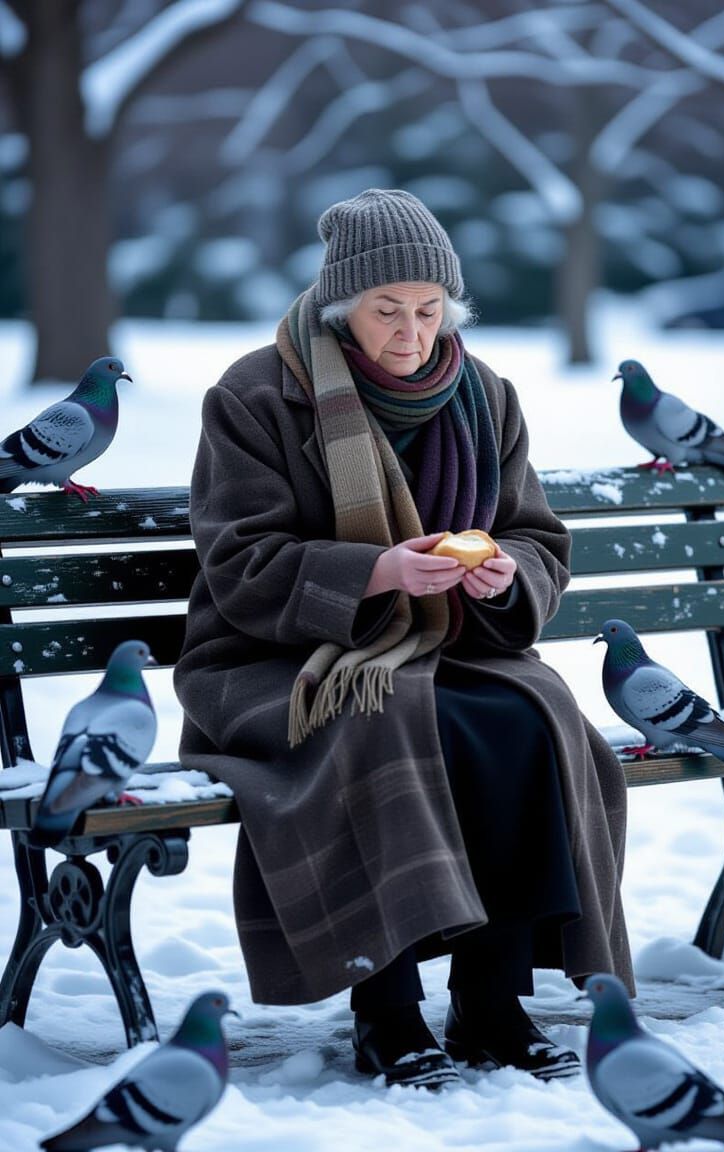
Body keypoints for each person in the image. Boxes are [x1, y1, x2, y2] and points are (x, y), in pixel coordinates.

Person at [175, 188, 633, 1089]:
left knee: (526, 717)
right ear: (344, 308)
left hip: (451, 643)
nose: (412, 332)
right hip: (282, 657)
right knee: (385, 713)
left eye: (430, 312)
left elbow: (537, 536)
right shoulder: (259, 394)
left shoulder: (484, 395)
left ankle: (491, 1001)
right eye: (388, 311)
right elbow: (238, 559)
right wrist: (376, 573)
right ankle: (385, 1012)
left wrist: (508, 572)